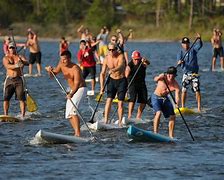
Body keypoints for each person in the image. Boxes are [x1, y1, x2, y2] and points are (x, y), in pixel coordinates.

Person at [45, 50, 87, 137]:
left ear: (69, 59)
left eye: (64, 59)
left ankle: (78, 134)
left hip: (80, 89)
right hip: (73, 91)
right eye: (61, 59)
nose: (62, 61)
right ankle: (76, 133)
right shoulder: (61, 64)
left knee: (73, 112)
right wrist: (50, 70)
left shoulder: (75, 68)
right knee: (68, 114)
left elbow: (77, 83)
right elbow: (53, 75)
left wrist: (71, 94)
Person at [100, 42, 127, 127]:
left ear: (116, 49)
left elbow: (121, 66)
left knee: (120, 103)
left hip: (121, 80)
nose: (111, 51)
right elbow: (102, 73)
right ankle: (106, 121)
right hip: (111, 81)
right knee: (108, 101)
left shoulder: (120, 56)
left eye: (113, 50)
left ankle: (120, 122)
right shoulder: (106, 58)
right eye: (110, 50)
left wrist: (113, 70)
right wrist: (101, 87)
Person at [151, 67, 180, 138]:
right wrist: (158, 77)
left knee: (173, 116)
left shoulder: (175, 85)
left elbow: (177, 96)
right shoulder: (163, 77)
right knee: (158, 113)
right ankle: (155, 133)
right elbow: (155, 79)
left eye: (172, 75)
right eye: (169, 74)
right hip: (156, 97)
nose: (170, 76)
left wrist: (177, 104)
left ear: (175, 75)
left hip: (165, 99)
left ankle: (171, 136)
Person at [177, 33, 203, 112]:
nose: (186, 45)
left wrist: (199, 39)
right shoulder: (180, 53)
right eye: (184, 44)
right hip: (186, 74)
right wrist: (179, 62)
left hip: (194, 74)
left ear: (189, 43)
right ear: (182, 44)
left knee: (197, 89)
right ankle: (183, 106)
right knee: (184, 89)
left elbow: (200, 45)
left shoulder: (193, 50)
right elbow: (178, 62)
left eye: (187, 43)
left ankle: (199, 108)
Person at [2, 42, 29, 117]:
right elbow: (8, 66)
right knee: (6, 98)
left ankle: (23, 115)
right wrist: (17, 65)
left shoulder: (20, 57)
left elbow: (27, 63)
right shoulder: (6, 58)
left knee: (21, 98)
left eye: (13, 47)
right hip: (9, 80)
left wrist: (22, 61)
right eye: (10, 48)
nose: (12, 49)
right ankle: (6, 114)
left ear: (15, 48)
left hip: (19, 80)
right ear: (8, 49)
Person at [125, 50, 150, 120]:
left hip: (141, 84)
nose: (136, 61)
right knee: (132, 99)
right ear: (132, 58)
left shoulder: (142, 63)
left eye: (138, 59)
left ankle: (138, 116)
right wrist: (125, 88)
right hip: (132, 84)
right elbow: (125, 77)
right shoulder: (129, 66)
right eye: (135, 59)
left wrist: (146, 60)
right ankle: (129, 116)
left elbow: (148, 63)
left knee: (144, 100)